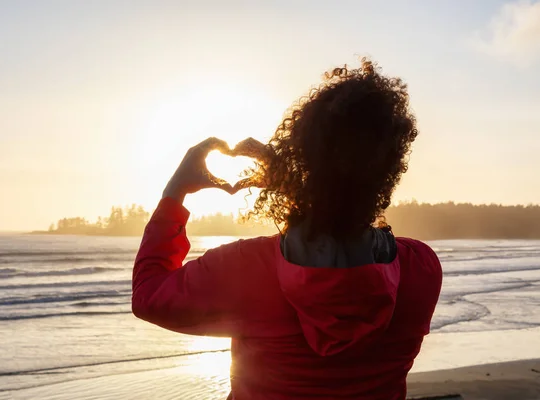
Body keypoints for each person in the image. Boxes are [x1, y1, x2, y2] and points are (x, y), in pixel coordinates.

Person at [132, 59, 442, 400]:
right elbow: (342, 221)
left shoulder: (245, 269)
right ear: (391, 166)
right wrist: (300, 185)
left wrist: (175, 194)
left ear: (301, 152)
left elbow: (149, 296)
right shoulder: (421, 270)